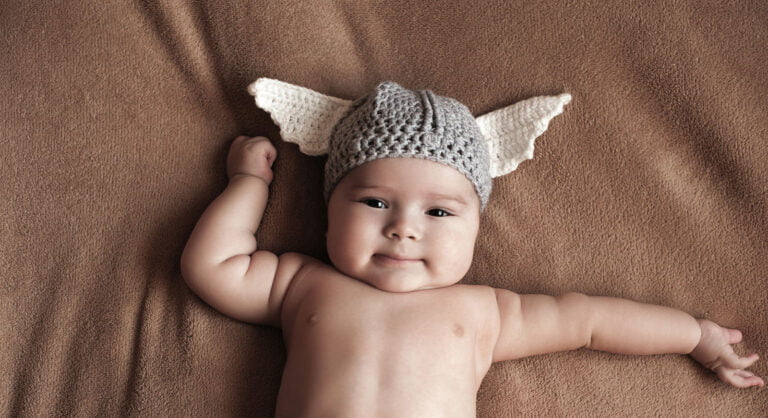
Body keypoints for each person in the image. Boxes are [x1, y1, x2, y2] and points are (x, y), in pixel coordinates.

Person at [181, 79, 763, 416]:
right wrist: (249, 184)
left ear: (476, 227)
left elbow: (589, 319)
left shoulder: (485, 311)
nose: (404, 228)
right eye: (374, 203)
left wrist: (694, 336)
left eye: (438, 212)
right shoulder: (301, 285)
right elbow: (213, 266)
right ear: (328, 210)